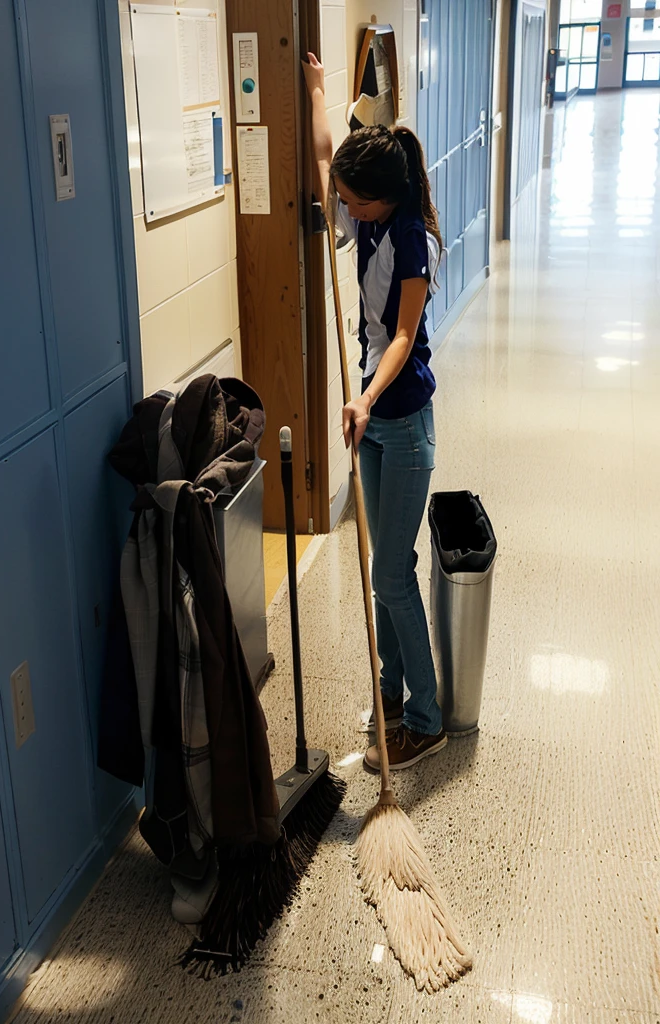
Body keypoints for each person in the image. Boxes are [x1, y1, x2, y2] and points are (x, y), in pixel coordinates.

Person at [302, 52, 446, 771]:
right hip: (372, 422)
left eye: (351, 202)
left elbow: (404, 336)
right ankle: (390, 693)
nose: (341, 209)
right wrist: (319, 89)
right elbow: (332, 164)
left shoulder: (410, 240)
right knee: (381, 569)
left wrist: (361, 397)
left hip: (402, 421)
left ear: (379, 199)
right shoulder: (369, 218)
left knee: (390, 574)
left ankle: (426, 715)